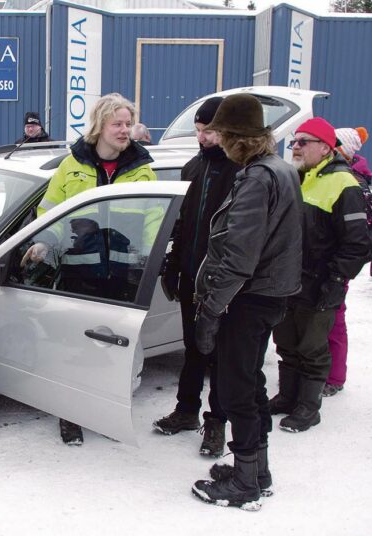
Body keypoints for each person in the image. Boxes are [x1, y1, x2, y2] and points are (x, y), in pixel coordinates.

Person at [22, 92, 157, 446]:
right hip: (79, 272)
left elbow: (153, 220)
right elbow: (50, 211)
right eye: (118, 123)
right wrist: (43, 242)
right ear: (100, 126)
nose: (125, 130)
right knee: (76, 349)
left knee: (115, 352)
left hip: (123, 272)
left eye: (128, 123)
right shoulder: (72, 165)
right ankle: (71, 414)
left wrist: (150, 258)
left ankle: (108, 413)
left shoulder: (142, 169)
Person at [190, 94, 303, 510]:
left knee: (235, 387)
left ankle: (244, 481)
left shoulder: (256, 177)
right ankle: (257, 469)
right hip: (270, 293)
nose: (216, 141)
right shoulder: (281, 170)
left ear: (239, 137)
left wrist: (212, 308)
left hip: (248, 296)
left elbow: (239, 253)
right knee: (251, 382)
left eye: (222, 134)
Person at [154, 97, 242, 458]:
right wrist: (174, 264)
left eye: (210, 131)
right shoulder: (192, 168)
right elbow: (183, 224)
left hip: (223, 282)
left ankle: (217, 423)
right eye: (199, 130)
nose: (202, 137)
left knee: (219, 354)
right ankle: (186, 411)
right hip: (191, 276)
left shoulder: (241, 172)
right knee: (193, 349)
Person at [270, 118, 370, 433]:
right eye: (294, 141)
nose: (295, 147)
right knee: (285, 342)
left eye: (303, 142)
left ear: (325, 147)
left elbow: (358, 243)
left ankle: (308, 408)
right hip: (288, 280)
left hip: (321, 283)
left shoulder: (345, 183)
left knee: (312, 347)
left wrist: (337, 280)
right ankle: (288, 396)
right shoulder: (295, 177)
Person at [323, 127, 371, 397]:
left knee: (334, 318)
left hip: (337, 264)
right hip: (324, 260)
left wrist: (341, 270)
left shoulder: (353, 181)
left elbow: (357, 237)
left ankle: (334, 376)